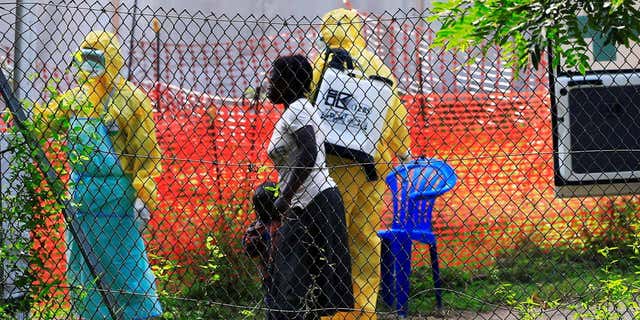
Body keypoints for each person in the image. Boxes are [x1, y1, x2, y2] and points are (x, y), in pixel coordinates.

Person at [34, 31, 163, 319]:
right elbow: (42, 123)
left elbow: (146, 154)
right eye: (87, 58)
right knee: (81, 264)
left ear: (112, 59)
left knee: (124, 261)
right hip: (81, 197)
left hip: (117, 198)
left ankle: (140, 314)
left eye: (97, 58)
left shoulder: (132, 100)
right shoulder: (75, 99)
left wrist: (144, 195)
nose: (91, 66)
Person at [311, 8, 412, 320]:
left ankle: (331, 311)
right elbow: (394, 110)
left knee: (329, 235)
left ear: (327, 30)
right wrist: (403, 149)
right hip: (373, 165)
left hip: (334, 163)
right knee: (365, 238)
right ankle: (364, 310)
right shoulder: (378, 64)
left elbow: (308, 104)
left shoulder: (323, 63)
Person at [265, 54, 354, 319]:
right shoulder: (295, 110)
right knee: (304, 285)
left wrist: (283, 199)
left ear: (289, 82)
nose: (269, 84)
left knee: (292, 284)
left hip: (311, 203)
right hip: (307, 202)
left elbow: (308, 153)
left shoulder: (298, 109)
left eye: (275, 79)